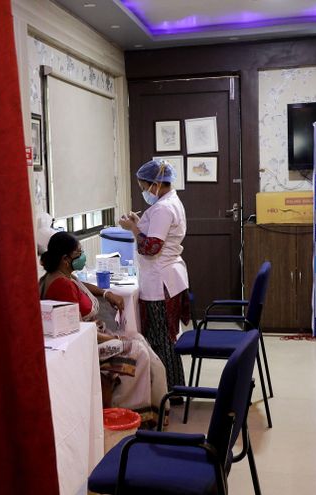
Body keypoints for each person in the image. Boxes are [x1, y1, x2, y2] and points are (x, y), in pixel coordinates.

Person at [39, 232, 168, 427]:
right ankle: (129, 413)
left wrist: (106, 293)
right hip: (86, 343)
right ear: (65, 259)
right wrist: (113, 339)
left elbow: (82, 285)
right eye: (79, 253)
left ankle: (155, 410)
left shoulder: (62, 276)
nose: (82, 257)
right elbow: (79, 331)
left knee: (138, 338)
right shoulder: (61, 287)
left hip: (94, 333)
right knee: (137, 350)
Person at [118, 160, 190, 392]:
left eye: (144, 187)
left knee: (162, 339)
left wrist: (132, 229)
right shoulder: (170, 202)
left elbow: (151, 247)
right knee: (165, 337)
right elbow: (157, 234)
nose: (144, 192)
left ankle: (171, 392)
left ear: (156, 184)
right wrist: (139, 224)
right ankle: (171, 389)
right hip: (168, 276)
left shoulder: (162, 208)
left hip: (160, 282)